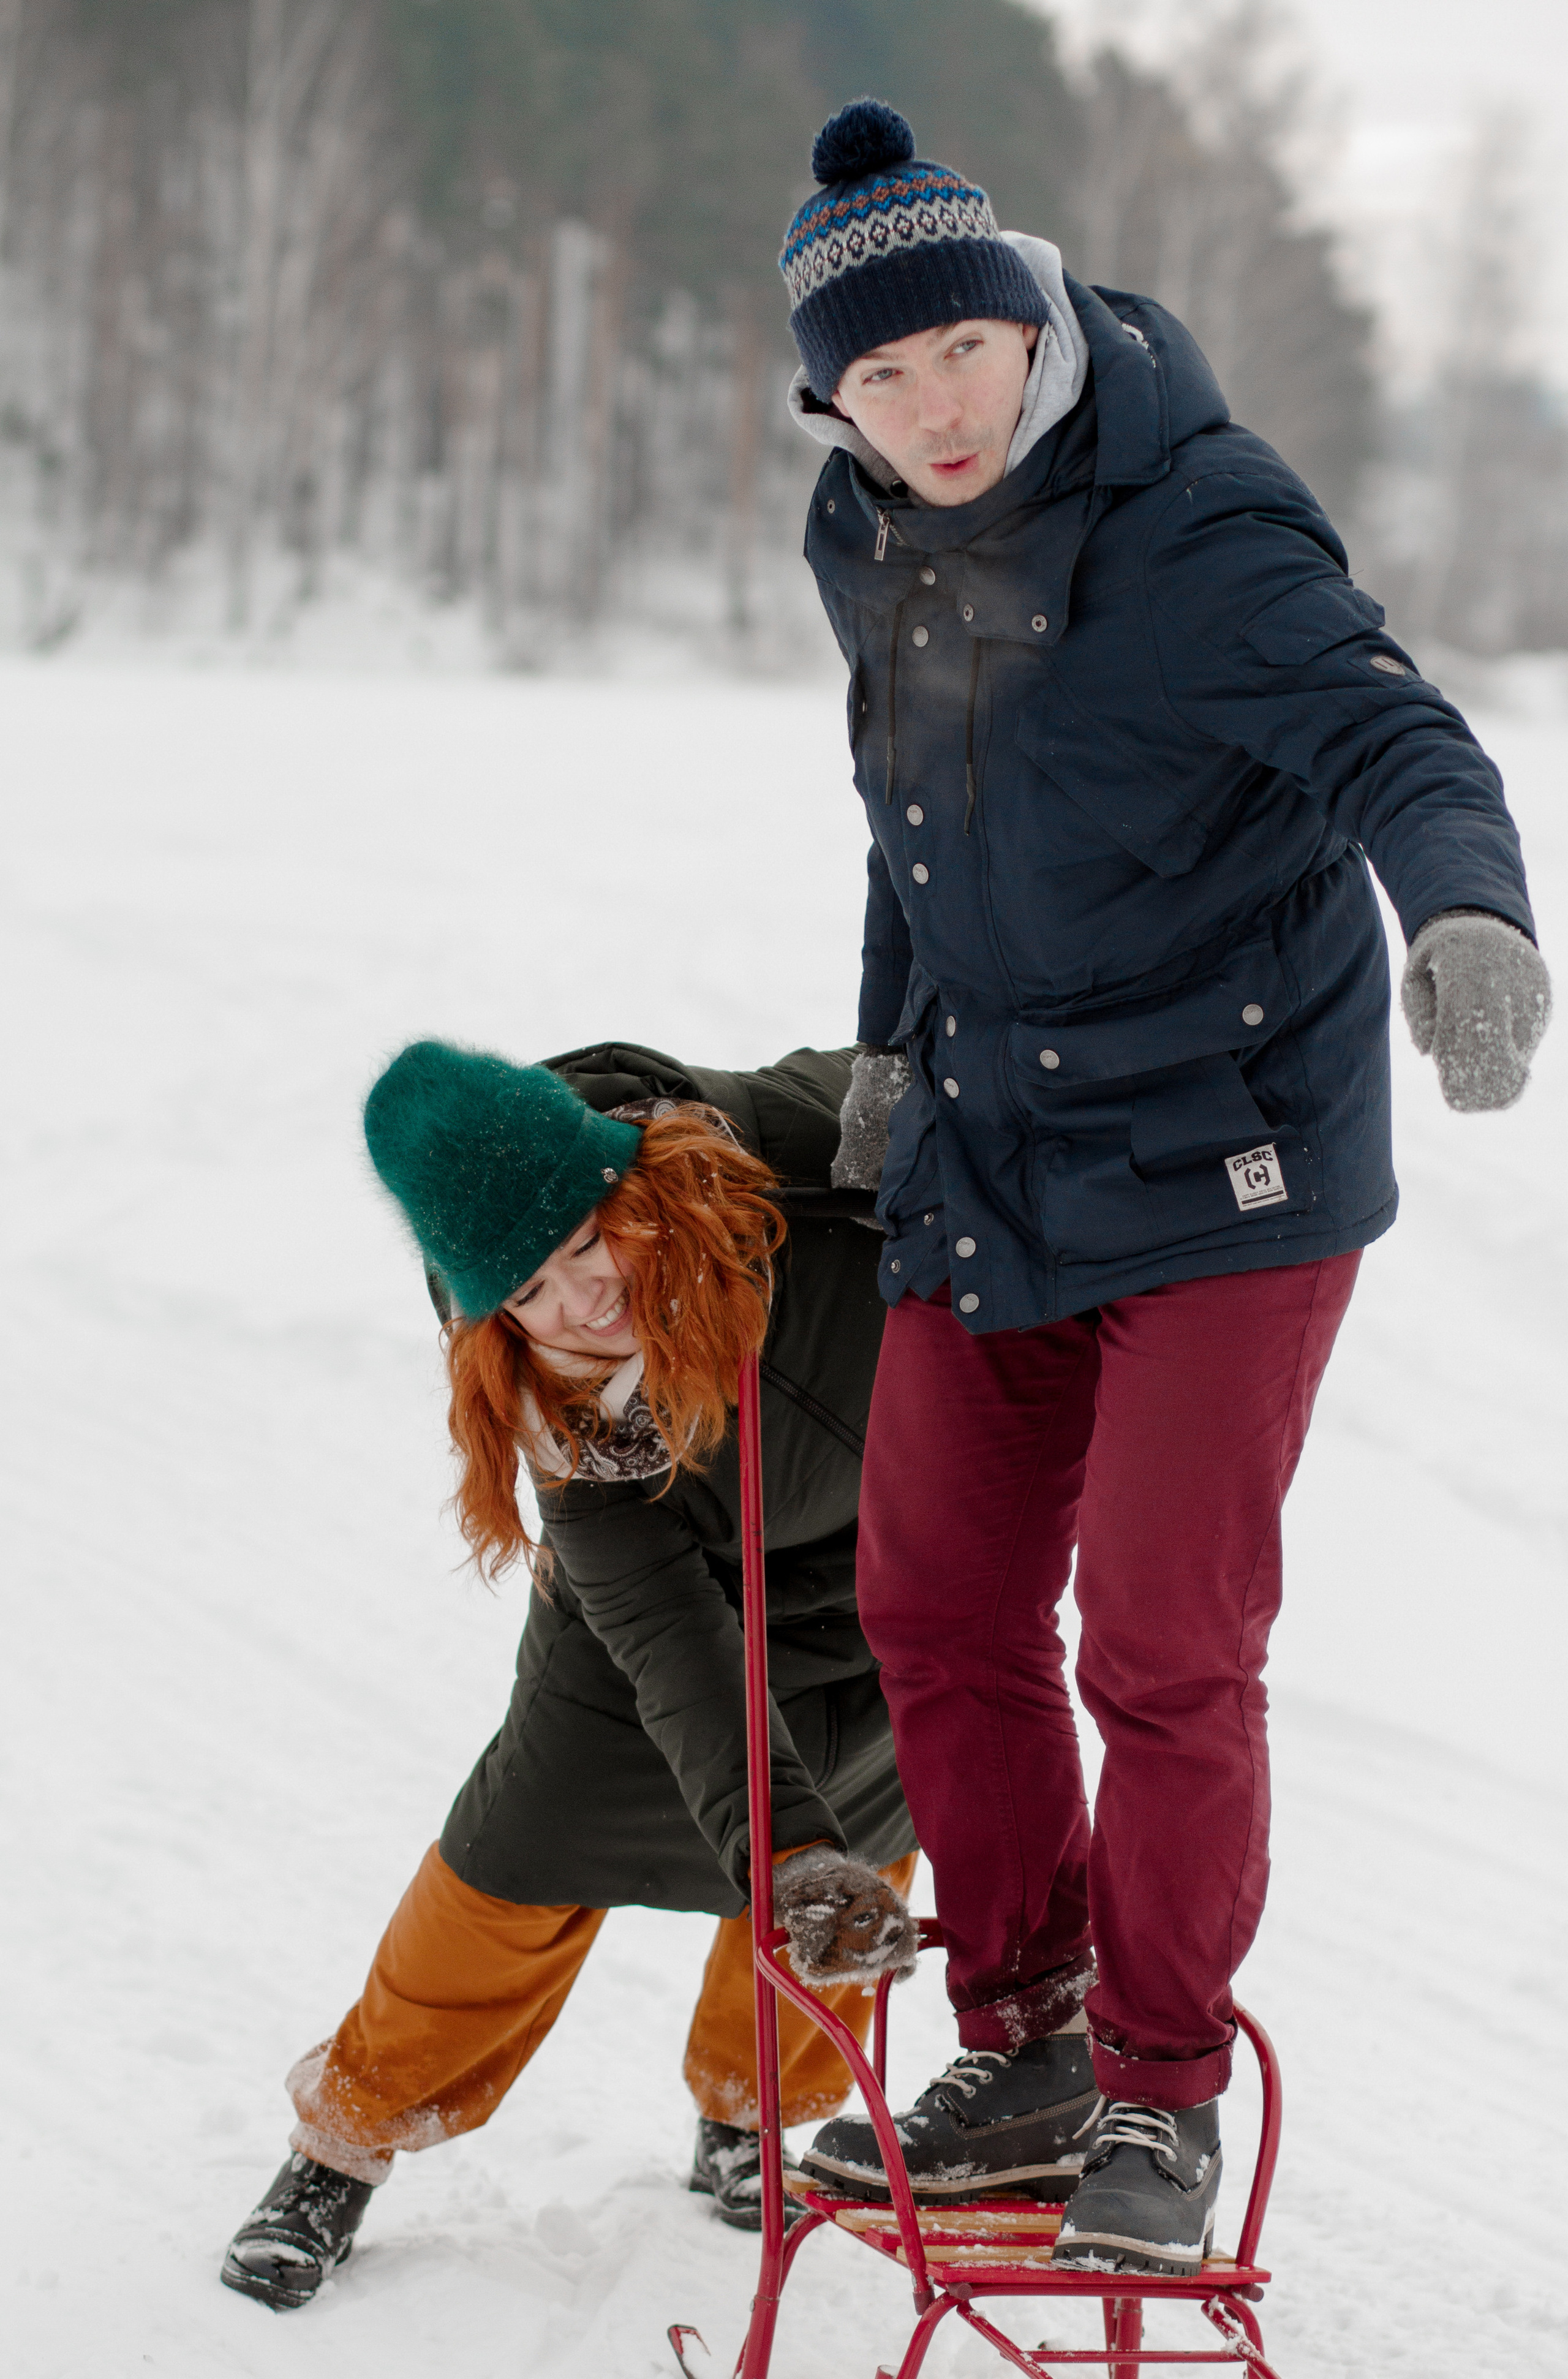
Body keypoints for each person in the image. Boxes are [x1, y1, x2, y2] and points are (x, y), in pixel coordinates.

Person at [773, 100, 1552, 2272]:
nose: (935, 405)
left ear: (1032, 323)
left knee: (1165, 1638)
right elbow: (916, 820)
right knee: (935, 1601)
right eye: (880, 373)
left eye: (964, 348)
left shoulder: (1197, 521)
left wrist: (1468, 912)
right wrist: (886, 1051)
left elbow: (1401, 739)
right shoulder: (869, 537)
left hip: (1235, 1148)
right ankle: (1023, 2033)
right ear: (831, 403)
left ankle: (1157, 2085)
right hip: (999, 1141)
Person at [221, 1038, 919, 2311]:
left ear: (631, 1182)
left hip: (892, 1561)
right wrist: (783, 1851)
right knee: (517, 1860)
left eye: (589, 1241)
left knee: (863, 1834)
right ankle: (345, 2137)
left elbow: (952, 1058)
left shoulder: (798, 1159)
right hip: (661, 1618)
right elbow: (664, 1629)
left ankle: (759, 2112)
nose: (583, 1300)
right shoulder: (559, 1409)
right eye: (530, 1290)